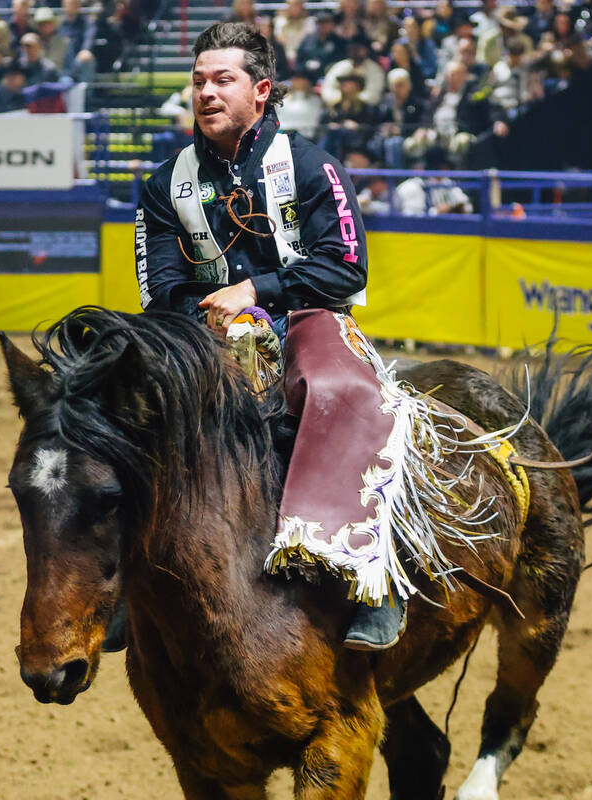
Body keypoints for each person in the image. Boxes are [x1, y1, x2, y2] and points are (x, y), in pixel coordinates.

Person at [135, 22, 410, 650]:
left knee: (341, 392)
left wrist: (255, 293)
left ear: (261, 91)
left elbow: (344, 265)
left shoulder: (312, 166)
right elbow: (160, 289)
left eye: (222, 80)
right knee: (128, 405)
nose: (205, 92)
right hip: (204, 331)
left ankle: (371, 581)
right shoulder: (163, 184)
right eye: (198, 81)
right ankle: (131, 579)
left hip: (308, 318)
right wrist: (211, 317)